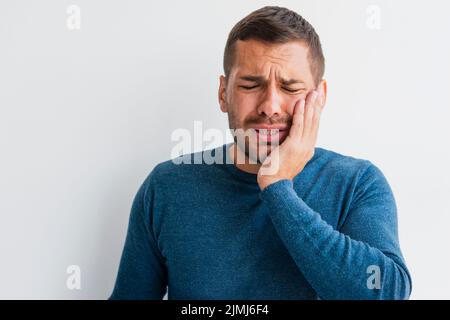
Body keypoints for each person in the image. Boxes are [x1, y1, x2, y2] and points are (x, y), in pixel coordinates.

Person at [109, 6, 412, 300]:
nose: (270, 106)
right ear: (222, 93)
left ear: (319, 98)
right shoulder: (166, 187)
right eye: (251, 85)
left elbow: (385, 293)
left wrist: (278, 187)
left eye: (291, 88)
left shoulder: (356, 183)